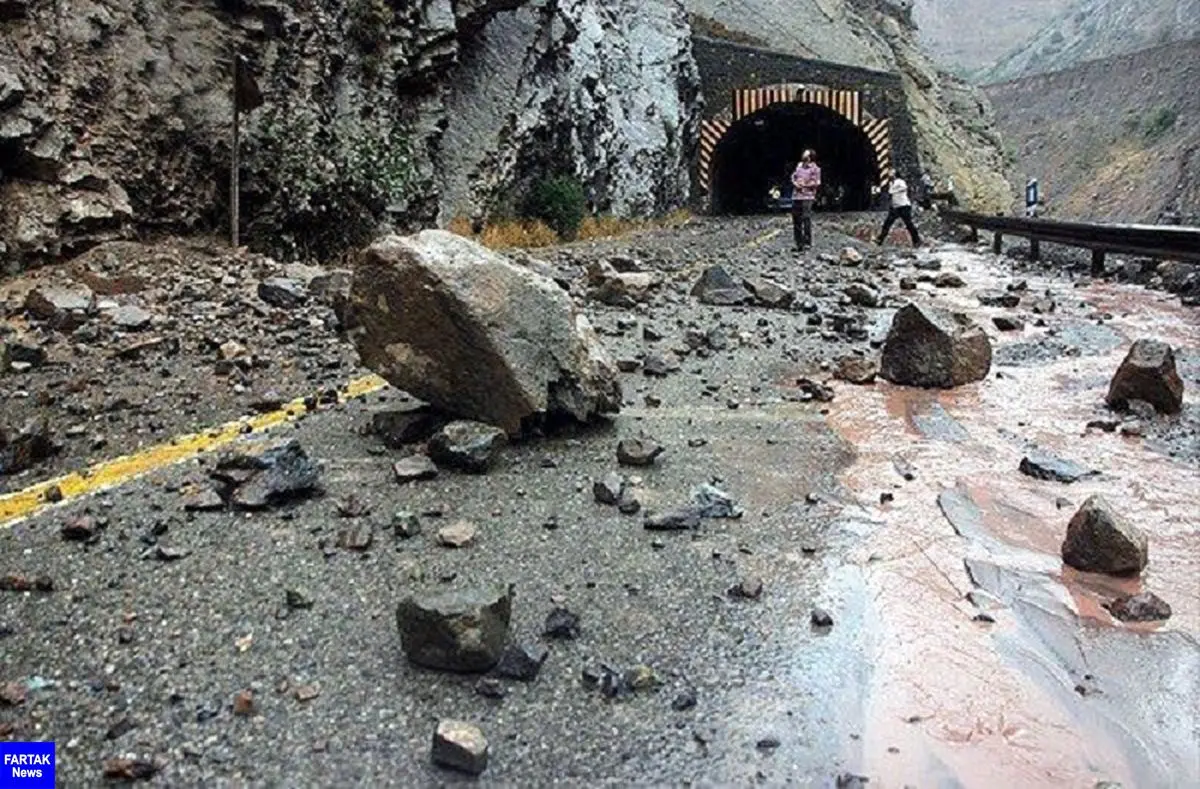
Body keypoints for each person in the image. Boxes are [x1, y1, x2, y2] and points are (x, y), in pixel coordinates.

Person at [875, 174, 922, 247]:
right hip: (895, 207)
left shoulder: (900, 181)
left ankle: (917, 240)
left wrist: (893, 191)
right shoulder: (891, 184)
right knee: (887, 224)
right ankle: (880, 240)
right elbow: (889, 194)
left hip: (904, 206)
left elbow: (904, 188)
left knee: (909, 224)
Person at [790, 150, 821, 251]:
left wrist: (805, 185)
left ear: (809, 157)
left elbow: (817, 182)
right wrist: (795, 183)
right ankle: (798, 243)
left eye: (805, 153)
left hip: (807, 196)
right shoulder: (799, 167)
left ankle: (807, 242)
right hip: (796, 196)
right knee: (796, 219)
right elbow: (793, 176)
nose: (803, 153)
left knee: (806, 218)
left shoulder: (815, 169)